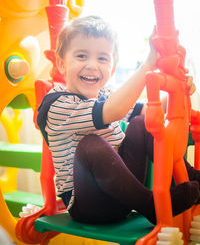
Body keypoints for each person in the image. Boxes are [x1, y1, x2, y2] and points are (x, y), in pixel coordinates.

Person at [37, 15, 200, 225]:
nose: (92, 65)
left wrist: (178, 90)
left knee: (142, 123)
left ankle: (191, 176)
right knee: (90, 145)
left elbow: (150, 107)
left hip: (124, 193)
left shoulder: (105, 94)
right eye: (81, 56)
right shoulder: (57, 104)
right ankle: (150, 204)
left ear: (112, 68)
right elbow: (113, 110)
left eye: (102, 58)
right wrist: (148, 65)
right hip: (89, 205)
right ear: (61, 64)